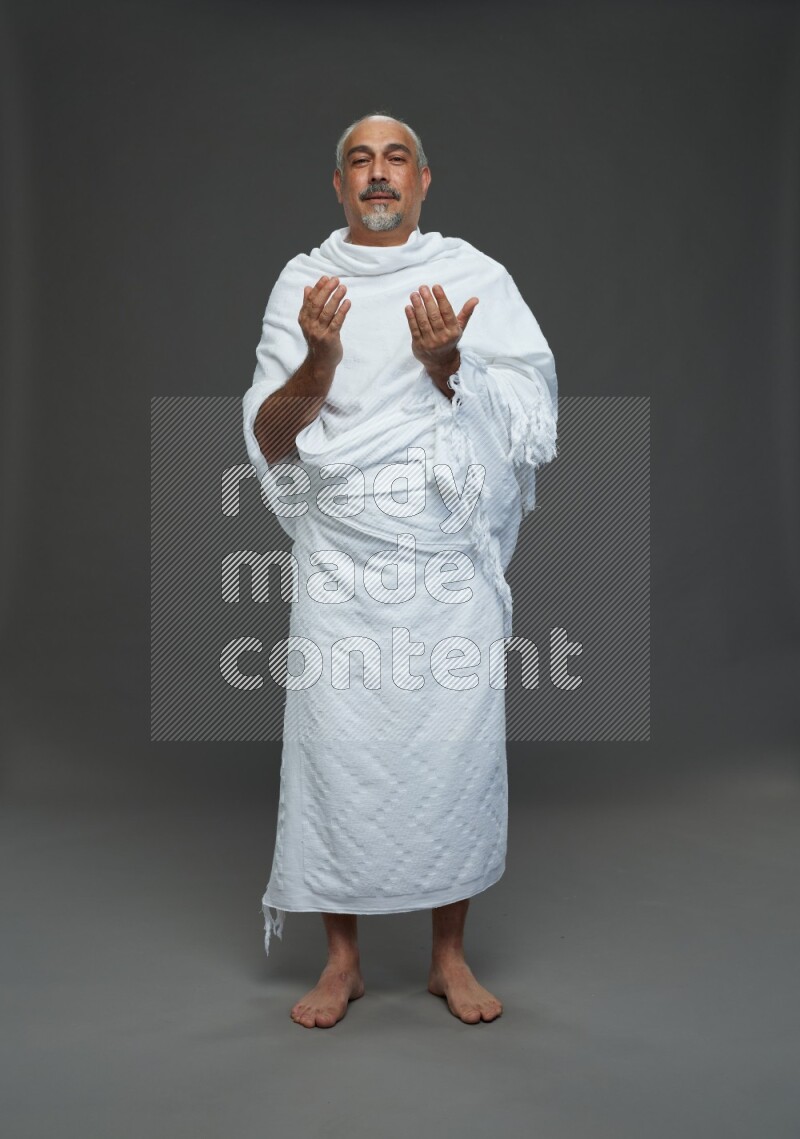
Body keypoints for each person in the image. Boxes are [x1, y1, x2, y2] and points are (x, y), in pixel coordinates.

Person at [241, 113, 558, 1028]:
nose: (378, 174)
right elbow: (271, 436)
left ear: (424, 180)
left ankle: (447, 957)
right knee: (336, 750)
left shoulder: (474, 280)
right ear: (338, 186)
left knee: (450, 750)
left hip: (445, 560)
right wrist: (320, 359)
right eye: (359, 161)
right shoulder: (304, 287)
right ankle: (340, 962)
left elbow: (530, 413)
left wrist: (449, 364)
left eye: (396, 159)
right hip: (342, 559)